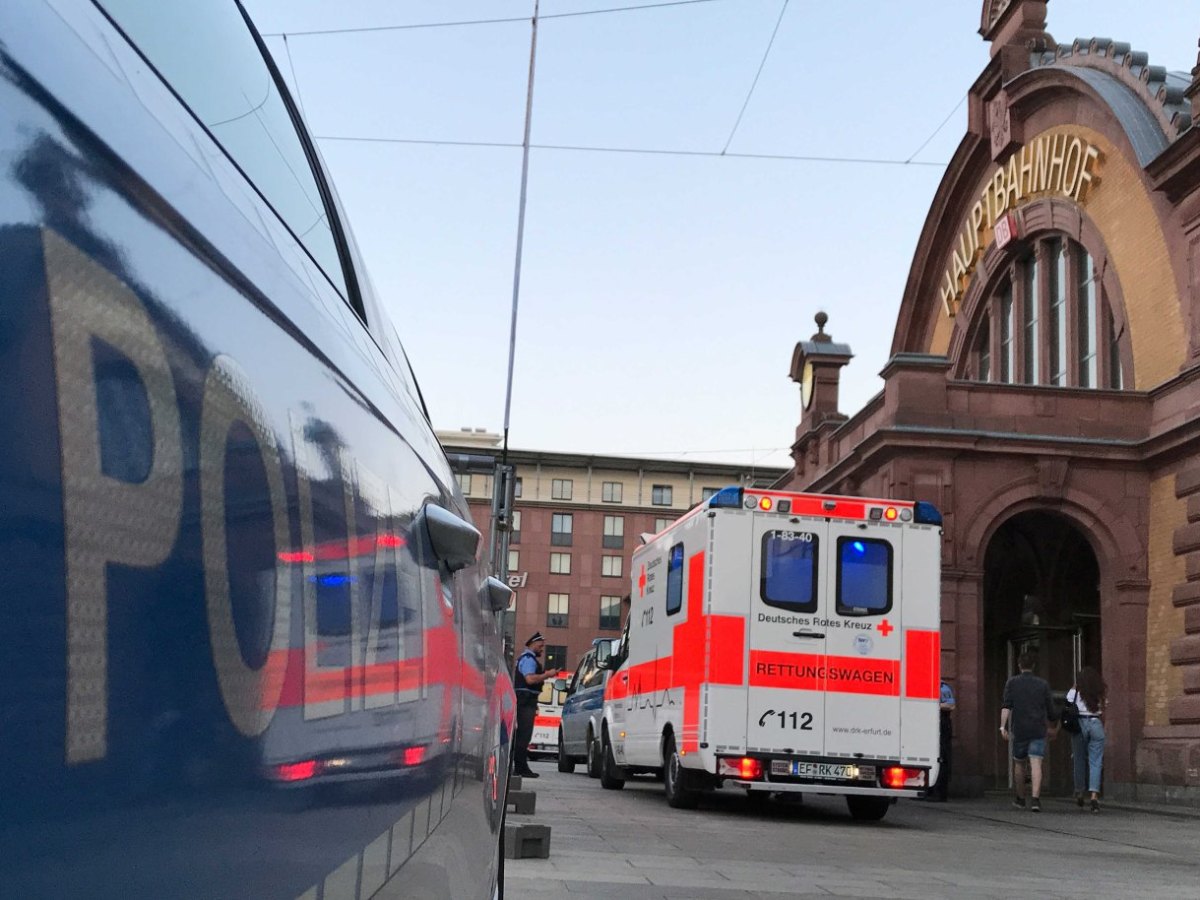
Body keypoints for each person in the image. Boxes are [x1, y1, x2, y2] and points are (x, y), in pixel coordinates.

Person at [1000, 652, 1057, 812]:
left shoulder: (1012, 683)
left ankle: (1020, 798)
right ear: (1033, 666)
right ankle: (1036, 800)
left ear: (1019, 665)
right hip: (1038, 728)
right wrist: (1054, 723)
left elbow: (1007, 706)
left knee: (1019, 763)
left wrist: (1002, 726)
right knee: (1036, 762)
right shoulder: (1042, 684)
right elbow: (1051, 710)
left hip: (1020, 729)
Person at [512, 631, 560, 778]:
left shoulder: (526, 658)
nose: (541, 649)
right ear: (533, 643)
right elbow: (530, 680)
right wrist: (548, 674)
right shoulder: (528, 659)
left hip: (526, 701)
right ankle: (521, 767)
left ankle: (520, 766)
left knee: (523, 735)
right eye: (540, 646)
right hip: (525, 702)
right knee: (524, 735)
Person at [1066, 666, 1107, 813]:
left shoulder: (1074, 692)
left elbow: (1068, 706)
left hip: (1080, 725)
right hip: (1096, 723)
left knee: (1079, 759)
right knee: (1096, 761)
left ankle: (1079, 792)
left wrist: (1074, 687)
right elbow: (1104, 710)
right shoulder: (1100, 692)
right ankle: (1094, 796)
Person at [928, 679, 955, 801]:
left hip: (942, 724)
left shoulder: (942, 686)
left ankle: (940, 792)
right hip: (931, 724)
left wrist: (933, 705)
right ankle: (929, 790)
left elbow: (950, 705)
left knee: (942, 758)